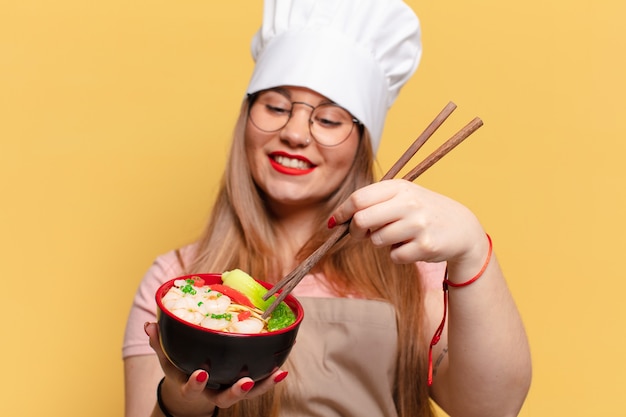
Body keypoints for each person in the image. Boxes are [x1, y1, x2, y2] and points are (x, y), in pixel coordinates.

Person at [123, 0, 532, 416]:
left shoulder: (411, 271)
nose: (295, 132)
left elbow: (492, 408)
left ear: (361, 143)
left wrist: (472, 250)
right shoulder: (177, 281)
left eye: (330, 120)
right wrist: (180, 397)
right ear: (246, 118)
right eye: (277, 107)